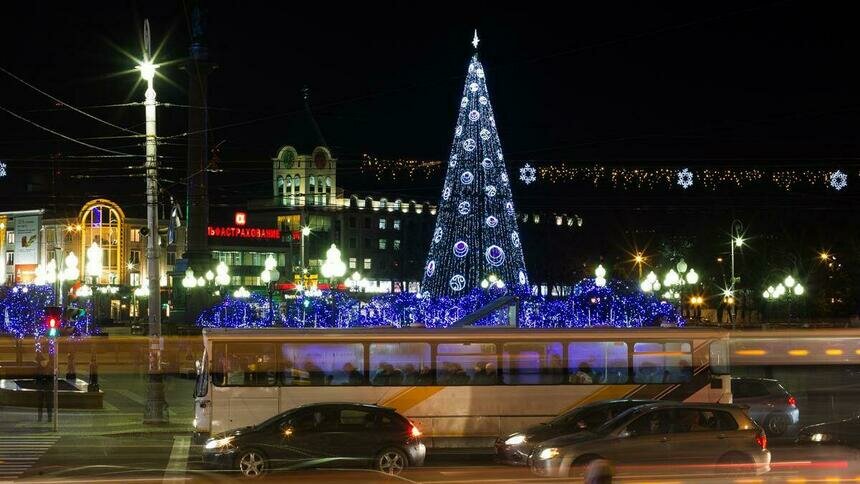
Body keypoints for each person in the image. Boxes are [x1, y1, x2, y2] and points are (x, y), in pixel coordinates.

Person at [35, 353, 53, 422]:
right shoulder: (38, 369)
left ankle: (49, 418)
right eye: (42, 362)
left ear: (47, 361)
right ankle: (39, 418)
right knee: (40, 404)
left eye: (44, 362)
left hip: (48, 389)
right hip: (41, 389)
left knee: (49, 404)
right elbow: (36, 378)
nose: (43, 363)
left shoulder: (50, 369)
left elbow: (52, 379)